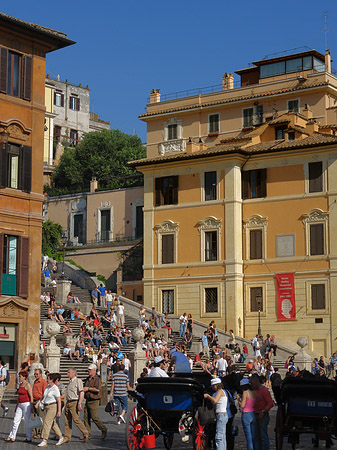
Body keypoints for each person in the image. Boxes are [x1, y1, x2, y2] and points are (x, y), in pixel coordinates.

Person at [36, 373, 64, 447]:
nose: (47, 380)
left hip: (53, 407)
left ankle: (44, 440)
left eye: (48, 379)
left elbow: (58, 400)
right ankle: (61, 437)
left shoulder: (55, 388)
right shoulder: (47, 387)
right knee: (52, 424)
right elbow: (43, 397)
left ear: (52, 380)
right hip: (46, 407)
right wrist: (38, 403)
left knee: (46, 422)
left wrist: (59, 411)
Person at [5, 371, 33, 443]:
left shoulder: (28, 385)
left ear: (24, 377)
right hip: (20, 404)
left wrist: (32, 406)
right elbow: (19, 396)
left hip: (26, 404)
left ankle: (29, 437)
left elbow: (31, 396)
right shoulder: (20, 385)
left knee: (27, 421)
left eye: (20, 376)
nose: (19, 378)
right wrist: (17, 405)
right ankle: (12, 436)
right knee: (16, 420)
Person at [63, 368, 89, 443]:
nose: (67, 374)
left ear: (74, 373)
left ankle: (85, 432)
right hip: (68, 401)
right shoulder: (70, 382)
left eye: (69, 372)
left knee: (76, 419)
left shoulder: (78, 381)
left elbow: (81, 392)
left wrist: (79, 403)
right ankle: (67, 436)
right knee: (67, 420)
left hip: (74, 401)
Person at [83, 364, 107, 440]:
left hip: (94, 400)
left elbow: (97, 389)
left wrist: (88, 388)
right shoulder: (87, 379)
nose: (88, 371)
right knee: (86, 418)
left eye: (90, 370)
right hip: (88, 399)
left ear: (94, 370)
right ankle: (87, 434)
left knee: (94, 417)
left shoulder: (97, 379)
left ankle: (103, 429)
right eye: (88, 370)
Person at [251, 374, 274, 450]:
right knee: (255, 435)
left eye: (253, 383)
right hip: (254, 414)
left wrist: (263, 411)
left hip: (263, 414)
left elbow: (270, 403)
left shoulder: (264, 390)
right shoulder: (252, 390)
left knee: (263, 435)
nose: (252, 385)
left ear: (257, 382)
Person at [204, 378, 228, 450]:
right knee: (222, 436)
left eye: (213, 386)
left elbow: (215, 400)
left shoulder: (220, 391)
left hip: (221, 415)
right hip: (222, 414)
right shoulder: (221, 392)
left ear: (216, 385)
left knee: (219, 436)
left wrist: (208, 396)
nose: (213, 388)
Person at [237, 378, 256, 450]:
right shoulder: (253, 392)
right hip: (253, 413)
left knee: (249, 438)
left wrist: (238, 399)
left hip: (246, 414)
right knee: (253, 436)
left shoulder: (245, 392)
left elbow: (242, 405)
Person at [32, 368, 48, 439]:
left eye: (37, 374)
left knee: (41, 418)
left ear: (41, 374)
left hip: (39, 401)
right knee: (33, 417)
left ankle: (40, 433)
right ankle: (33, 432)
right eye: (35, 374)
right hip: (33, 401)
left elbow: (44, 393)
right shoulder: (35, 382)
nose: (35, 375)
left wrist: (39, 402)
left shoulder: (43, 382)